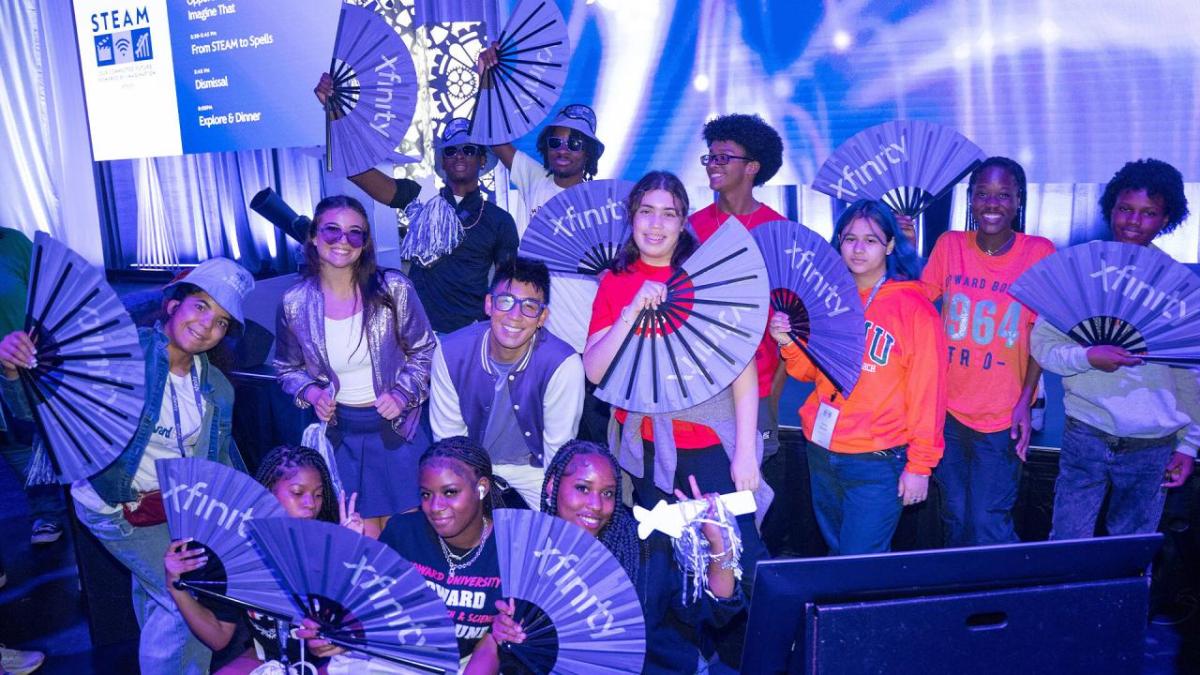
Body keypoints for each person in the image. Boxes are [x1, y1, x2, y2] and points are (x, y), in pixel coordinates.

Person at [1, 257, 254, 675]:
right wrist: (13, 370)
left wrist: (254, 511)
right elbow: (34, 410)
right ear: (173, 304)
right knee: (185, 600)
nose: (208, 324)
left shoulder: (216, 386)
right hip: (113, 505)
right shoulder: (122, 353)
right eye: (201, 305)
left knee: (162, 602)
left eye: (222, 321)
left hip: (170, 509)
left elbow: (221, 458)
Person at [583, 171, 768, 612]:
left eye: (669, 214)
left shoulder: (706, 278)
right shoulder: (615, 282)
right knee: (670, 564)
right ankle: (689, 645)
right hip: (646, 449)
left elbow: (743, 372)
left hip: (709, 445)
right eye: (646, 211)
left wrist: (745, 452)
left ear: (683, 222)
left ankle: (760, 644)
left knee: (739, 556)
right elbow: (594, 371)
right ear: (631, 217)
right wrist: (630, 312)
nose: (656, 224)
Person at [1032, 158, 1199, 540]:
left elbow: (1193, 376)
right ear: (1111, 208)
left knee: (1130, 553)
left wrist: (1189, 446)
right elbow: (1042, 346)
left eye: (1148, 213)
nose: (1133, 221)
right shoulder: (1081, 267)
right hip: (1085, 431)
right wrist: (1087, 357)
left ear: (1166, 218)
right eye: (1125, 208)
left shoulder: (1176, 286)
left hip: (1153, 444)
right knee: (1067, 544)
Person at [475, 440, 745, 674]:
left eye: (607, 493)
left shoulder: (645, 546)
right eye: (583, 488)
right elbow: (508, 640)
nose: (595, 505)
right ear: (552, 486)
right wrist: (502, 631)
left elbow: (716, 611)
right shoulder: (528, 552)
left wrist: (719, 546)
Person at [770, 200, 946, 555]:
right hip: (822, 451)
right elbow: (807, 372)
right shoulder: (825, 299)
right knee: (839, 558)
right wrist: (787, 342)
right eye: (850, 238)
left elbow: (930, 394)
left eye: (871, 240)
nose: (859, 249)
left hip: (877, 460)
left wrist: (920, 466)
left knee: (859, 562)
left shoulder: (915, 309)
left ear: (890, 245)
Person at [275, 195, 436, 538]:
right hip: (341, 437)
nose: (343, 241)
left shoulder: (394, 289)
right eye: (332, 230)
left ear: (365, 243)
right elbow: (287, 368)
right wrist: (312, 392)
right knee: (361, 544)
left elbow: (425, 350)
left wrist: (402, 393)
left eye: (354, 233)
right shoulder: (294, 302)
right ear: (314, 236)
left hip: (399, 432)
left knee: (407, 542)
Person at [920, 157, 1056, 546]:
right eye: (982, 194)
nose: (992, 204)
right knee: (953, 514)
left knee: (986, 521)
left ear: (1018, 200)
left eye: (1003, 195)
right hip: (946, 409)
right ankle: (959, 584)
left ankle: (1000, 585)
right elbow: (917, 302)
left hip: (1002, 414)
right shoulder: (950, 245)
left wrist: (1025, 402)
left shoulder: (1038, 252)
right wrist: (905, 248)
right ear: (971, 199)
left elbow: (1041, 335)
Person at [314, 81, 521, 335]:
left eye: (468, 149)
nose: (459, 155)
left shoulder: (499, 220)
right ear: (442, 161)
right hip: (417, 333)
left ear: (482, 159)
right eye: (451, 150)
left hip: (470, 335)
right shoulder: (420, 198)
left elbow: (507, 288)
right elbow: (358, 172)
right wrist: (335, 113)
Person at [687, 113, 795, 553]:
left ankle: (750, 576)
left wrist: (773, 393)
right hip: (698, 386)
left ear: (752, 167)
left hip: (760, 383)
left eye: (723, 157)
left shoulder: (779, 231)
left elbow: (793, 316)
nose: (713, 164)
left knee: (752, 494)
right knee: (706, 491)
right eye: (709, 156)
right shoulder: (690, 227)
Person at [163, 445, 360, 673]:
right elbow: (219, 637)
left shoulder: (328, 546)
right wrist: (175, 587)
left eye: (318, 494)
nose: (311, 504)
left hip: (333, 662)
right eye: (298, 493)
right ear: (268, 493)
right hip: (273, 664)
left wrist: (348, 559)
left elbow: (333, 638)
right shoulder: (238, 553)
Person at [430, 257, 584, 509]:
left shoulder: (562, 364)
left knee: (564, 521)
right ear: (489, 304)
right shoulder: (451, 353)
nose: (515, 316)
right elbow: (450, 442)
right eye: (505, 301)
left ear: (542, 317)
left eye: (530, 306)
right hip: (471, 463)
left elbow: (558, 446)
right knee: (450, 515)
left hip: (535, 468)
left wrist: (555, 497)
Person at [377, 437, 504, 672]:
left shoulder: (508, 552)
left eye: (450, 492)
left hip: (464, 664)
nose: (435, 506)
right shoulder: (403, 533)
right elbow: (368, 605)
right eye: (426, 494)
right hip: (392, 657)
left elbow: (492, 644)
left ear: (482, 487)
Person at [0, 227, 67, 566]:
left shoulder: (12, 243)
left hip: (26, 367)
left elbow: (49, 297)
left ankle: (47, 511)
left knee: (29, 441)